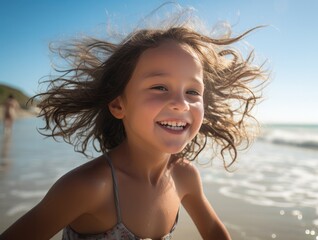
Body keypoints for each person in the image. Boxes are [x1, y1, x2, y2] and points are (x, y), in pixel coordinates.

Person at [0, 9, 266, 240]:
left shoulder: (185, 176)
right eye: (160, 87)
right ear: (118, 105)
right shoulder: (89, 186)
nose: (181, 103)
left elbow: (215, 233)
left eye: (193, 92)